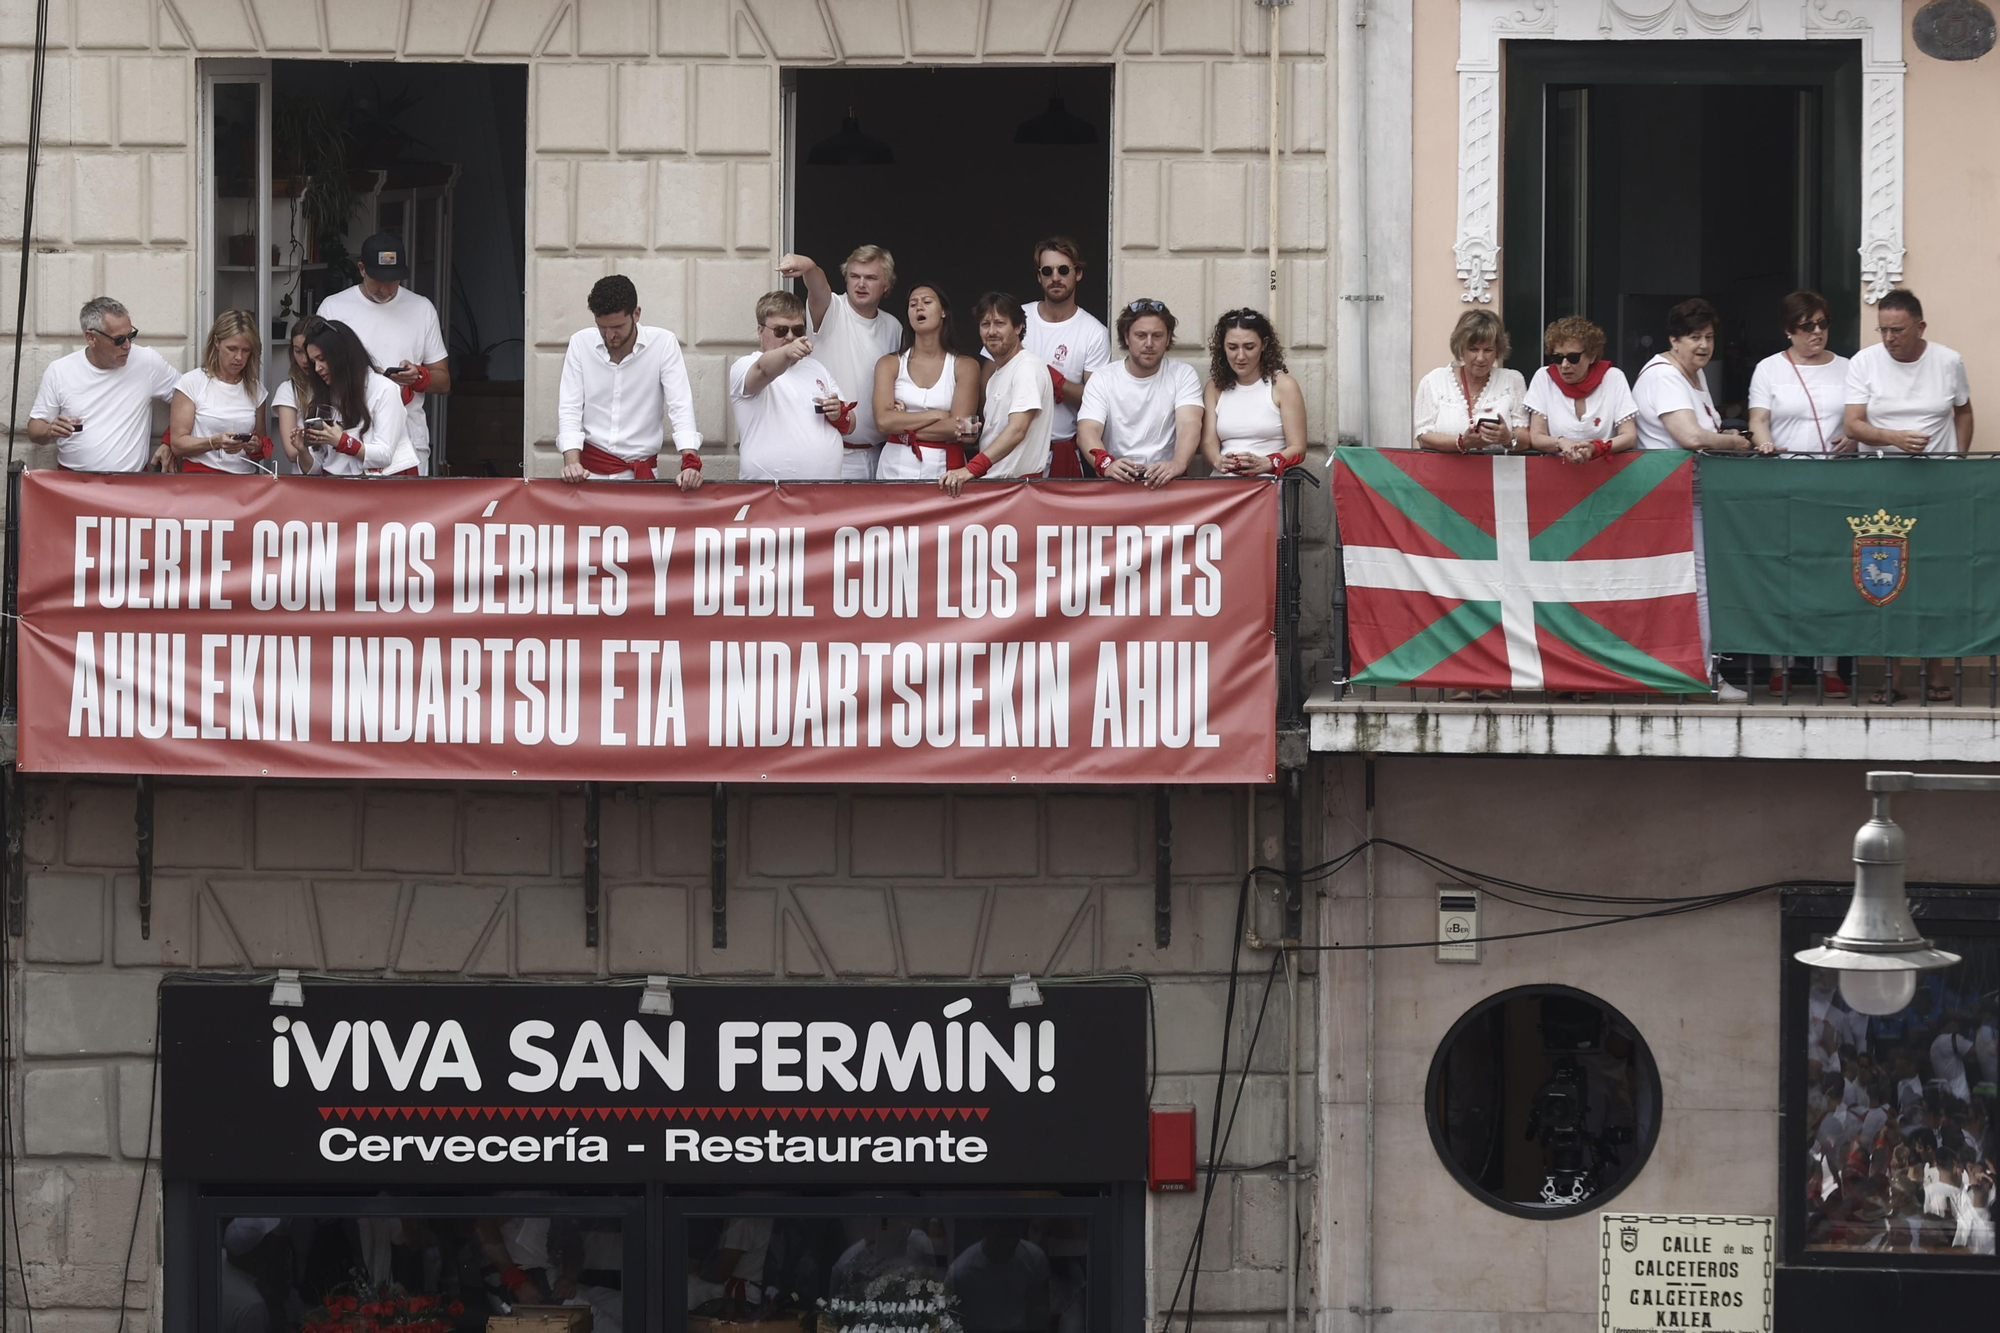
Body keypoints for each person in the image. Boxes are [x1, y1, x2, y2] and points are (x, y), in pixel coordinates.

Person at [1631, 298, 1766, 702]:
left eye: (1708, 337)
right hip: (1671, 501)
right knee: (1697, 588)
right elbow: (1689, 436)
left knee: (1699, 587)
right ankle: (1704, 677)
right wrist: (1735, 443)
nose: (1704, 345)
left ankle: (1696, 672)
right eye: (1694, 337)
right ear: (1674, 340)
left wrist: (1724, 436)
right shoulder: (1664, 376)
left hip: (1693, 496)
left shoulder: (1693, 374)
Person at [1842, 289, 1973, 702]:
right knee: (1887, 577)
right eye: (1882, 330)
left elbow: (1964, 411)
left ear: (1920, 327)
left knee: (1935, 577)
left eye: (1897, 330)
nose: (1888, 338)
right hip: (1882, 484)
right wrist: (1894, 437)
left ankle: (1935, 672)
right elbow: (1852, 424)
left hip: (1938, 486)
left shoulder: (1948, 361)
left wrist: (1958, 459)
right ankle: (1892, 677)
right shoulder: (1864, 362)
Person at [1747, 290, 1851, 697]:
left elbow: (1859, 419)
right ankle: (1780, 664)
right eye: (1807, 326)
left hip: (1834, 485)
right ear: (1789, 330)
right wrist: (1764, 442)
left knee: (1830, 573)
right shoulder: (1769, 369)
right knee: (1783, 573)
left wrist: (1852, 438)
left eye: (1823, 323)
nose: (1817, 332)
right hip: (1784, 484)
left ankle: (1829, 666)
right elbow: (1758, 418)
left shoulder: (1848, 368)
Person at [316, 233, 450, 474]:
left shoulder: (422, 308)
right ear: (362, 269)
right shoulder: (333, 307)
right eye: (378, 280)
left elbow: (444, 381)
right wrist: (363, 377)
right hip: (349, 439)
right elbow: (316, 373)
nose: (386, 289)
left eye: (393, 281)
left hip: (408, 443)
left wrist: (418, 377)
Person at [556, 274, 702, 489]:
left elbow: (680, 405)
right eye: (602, 327)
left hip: (641, 474)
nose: (609, 335)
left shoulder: (663, 343)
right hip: (588, 474)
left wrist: (690, 463)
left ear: (636, 314)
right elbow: (570, 407)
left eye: (617, 326)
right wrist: (571, 462)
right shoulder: (580, 343)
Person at [776, 244, 901, 478]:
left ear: (887, 285)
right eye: (854, 276)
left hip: (880, 455)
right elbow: (818, 287)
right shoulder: (833, 308)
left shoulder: (894, 326)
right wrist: (809, 267)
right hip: (836, 454)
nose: (861, 284)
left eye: (870, 278)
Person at [28, 296, 179, 472]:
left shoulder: (146, 362)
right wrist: (49, 430)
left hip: (131, 482)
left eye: (131, 336)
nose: (127, 345)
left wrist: (170, 442)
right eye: (119, 339)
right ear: (91, 338)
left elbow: (193, 398)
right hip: (73, 482)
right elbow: (34, 428)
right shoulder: (60, 370)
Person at [1076, 298, 1203, 487]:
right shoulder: (1102, 378)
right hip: (1116, 483)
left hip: (1168, 482)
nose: (1149, 343)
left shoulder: (1183, 374)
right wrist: (1106, 464)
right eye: (1141, 335)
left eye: (1157, 336)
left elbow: (1189, 424)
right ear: (1127, 337)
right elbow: (1087, 430)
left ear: (1168, 338)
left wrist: (1178, 463)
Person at [940, 293, 1053, 497]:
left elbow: (1017, 429)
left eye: (1000, 323)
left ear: (1018, 327)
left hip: (1018, 491)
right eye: (985, 324)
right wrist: (975, 437)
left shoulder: (1026, 367)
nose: (991, 331)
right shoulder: (996, 375)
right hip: (999, 489)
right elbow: (1004, 432)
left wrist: (971, 468)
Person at [728, 291, 848, 482]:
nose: (790, 337)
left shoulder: (817, 368)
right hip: (770, 490)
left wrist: (839, 413)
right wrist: (786, 352)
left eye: (798, 330)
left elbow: (850, 422)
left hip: (825, 488)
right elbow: (763, 370)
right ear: (761, 331)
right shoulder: (744, 365)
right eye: (781, 330)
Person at [1020, 236, 1113, 476]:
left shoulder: (1094, 332)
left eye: (1063, 270)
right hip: (1014, 447)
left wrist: (1053, 379)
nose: (1055, 277)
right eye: (1047, 271)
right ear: (1039, 276)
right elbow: (988, 381)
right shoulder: (1017, 318)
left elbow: (1095, 402)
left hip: (1062, 452)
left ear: (1078, 273)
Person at [872, 283, 980, 482]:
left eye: (927, 302)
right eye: (913, 304)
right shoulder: (889, 363)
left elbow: (961, 428)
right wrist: (938, 415)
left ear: (943, 312)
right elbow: (883, 422)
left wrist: (902, 425)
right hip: (894, 469)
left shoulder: (965, 365)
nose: (919, 307)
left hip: (947, 473)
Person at [298, 319, 420, 477]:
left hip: (387, 484)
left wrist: (343, 442)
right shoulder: (323, 394)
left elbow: (384, 454)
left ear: (342, 355)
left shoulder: (385, 389)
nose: (317, 368)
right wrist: (302, 451)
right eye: (313, 362)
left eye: (322, 359)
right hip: (337, 485)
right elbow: (317, 467)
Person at [1202, 308, 1307, 476]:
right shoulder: (1214, 388)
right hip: (1223, 483)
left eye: (1249, 347)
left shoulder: (1283, 385)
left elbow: (1298, 448)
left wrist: (1268, 462)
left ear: (1264, 345)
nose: (1240, 356)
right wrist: (1218, 460)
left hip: (1267, 484)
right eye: (1232, 347)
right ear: (1222, 347)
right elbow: (1208, 442)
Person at [168, 309, 271, 475]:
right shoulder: (192, 382)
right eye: (232, 349)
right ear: (217, 343)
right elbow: (178, 445)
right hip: (201, 477)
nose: (239, 357)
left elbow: (260, 445)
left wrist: (255, 446)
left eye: (246, 350)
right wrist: (214, 442)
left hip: (244, 479)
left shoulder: (256, 389)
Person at [1523, 315, 1637, 461]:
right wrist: (1561, 443)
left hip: (1607, 471)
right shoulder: (1543, 377)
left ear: (1592, 356)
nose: (1564, 365)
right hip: (1556, 471)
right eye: (1558, 358)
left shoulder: (1613, 377)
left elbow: (1629, 436)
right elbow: (1537, 436)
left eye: (1573, 358)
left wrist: (1597, 448)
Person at [1413, 309, 1527, 452]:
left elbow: (1526, 439)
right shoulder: (1434, 381)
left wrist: (1508, 438)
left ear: (1498, 350)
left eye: (1488, 350)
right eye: (1473, 349)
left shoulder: (1513, 380)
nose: (1480, 358)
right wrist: (1461, 442)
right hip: (1447, 467)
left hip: (1498, 467)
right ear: (1461, 348)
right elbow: (1423, 437)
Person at [946, 1220, 1050, 1333]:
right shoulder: (960, 1273)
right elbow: (948, 1323)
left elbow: (1039, 1314)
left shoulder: (1034, 1258)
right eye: (1001, 1237)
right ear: (985, 1230)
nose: (1009, 1244)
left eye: (1014, 1235)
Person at [274, 317, 326, 473]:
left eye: (308, 351)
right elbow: (291, 452)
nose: (304, 360)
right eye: (298, 351)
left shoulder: (337, 386)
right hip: (305, 478)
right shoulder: (289, 389)